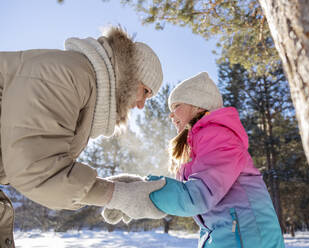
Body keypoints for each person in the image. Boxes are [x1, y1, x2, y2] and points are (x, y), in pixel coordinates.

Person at [0, 26, 165, 247]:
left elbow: (47, 162)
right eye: (146, 91)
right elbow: (37, 171)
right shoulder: (65, 76)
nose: (142, 105)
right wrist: (117, 195)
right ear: (132, 75)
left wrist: (114, 187)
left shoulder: (82, 84)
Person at [103, 72, 285, 248]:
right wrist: (136, 188)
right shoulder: (197, 144)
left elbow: (196, 197)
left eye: (176, 107)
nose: (171, 115)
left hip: (249, 239)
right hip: (224, 237)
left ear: (198, 106)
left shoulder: (219, 136)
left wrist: (142, 192)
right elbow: (184, 196)